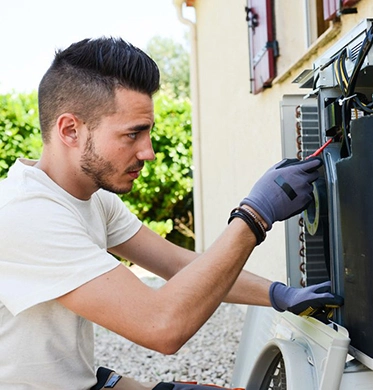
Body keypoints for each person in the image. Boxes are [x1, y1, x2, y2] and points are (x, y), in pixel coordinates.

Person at [0, 37, 343, 390]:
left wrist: (279, 294)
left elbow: (178, 265)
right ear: (70, 130)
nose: (148, 152)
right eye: (132, 134)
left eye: (147, 132)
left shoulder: (90, 198)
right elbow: (161, 326)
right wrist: (254, 216)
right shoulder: (27, 215)